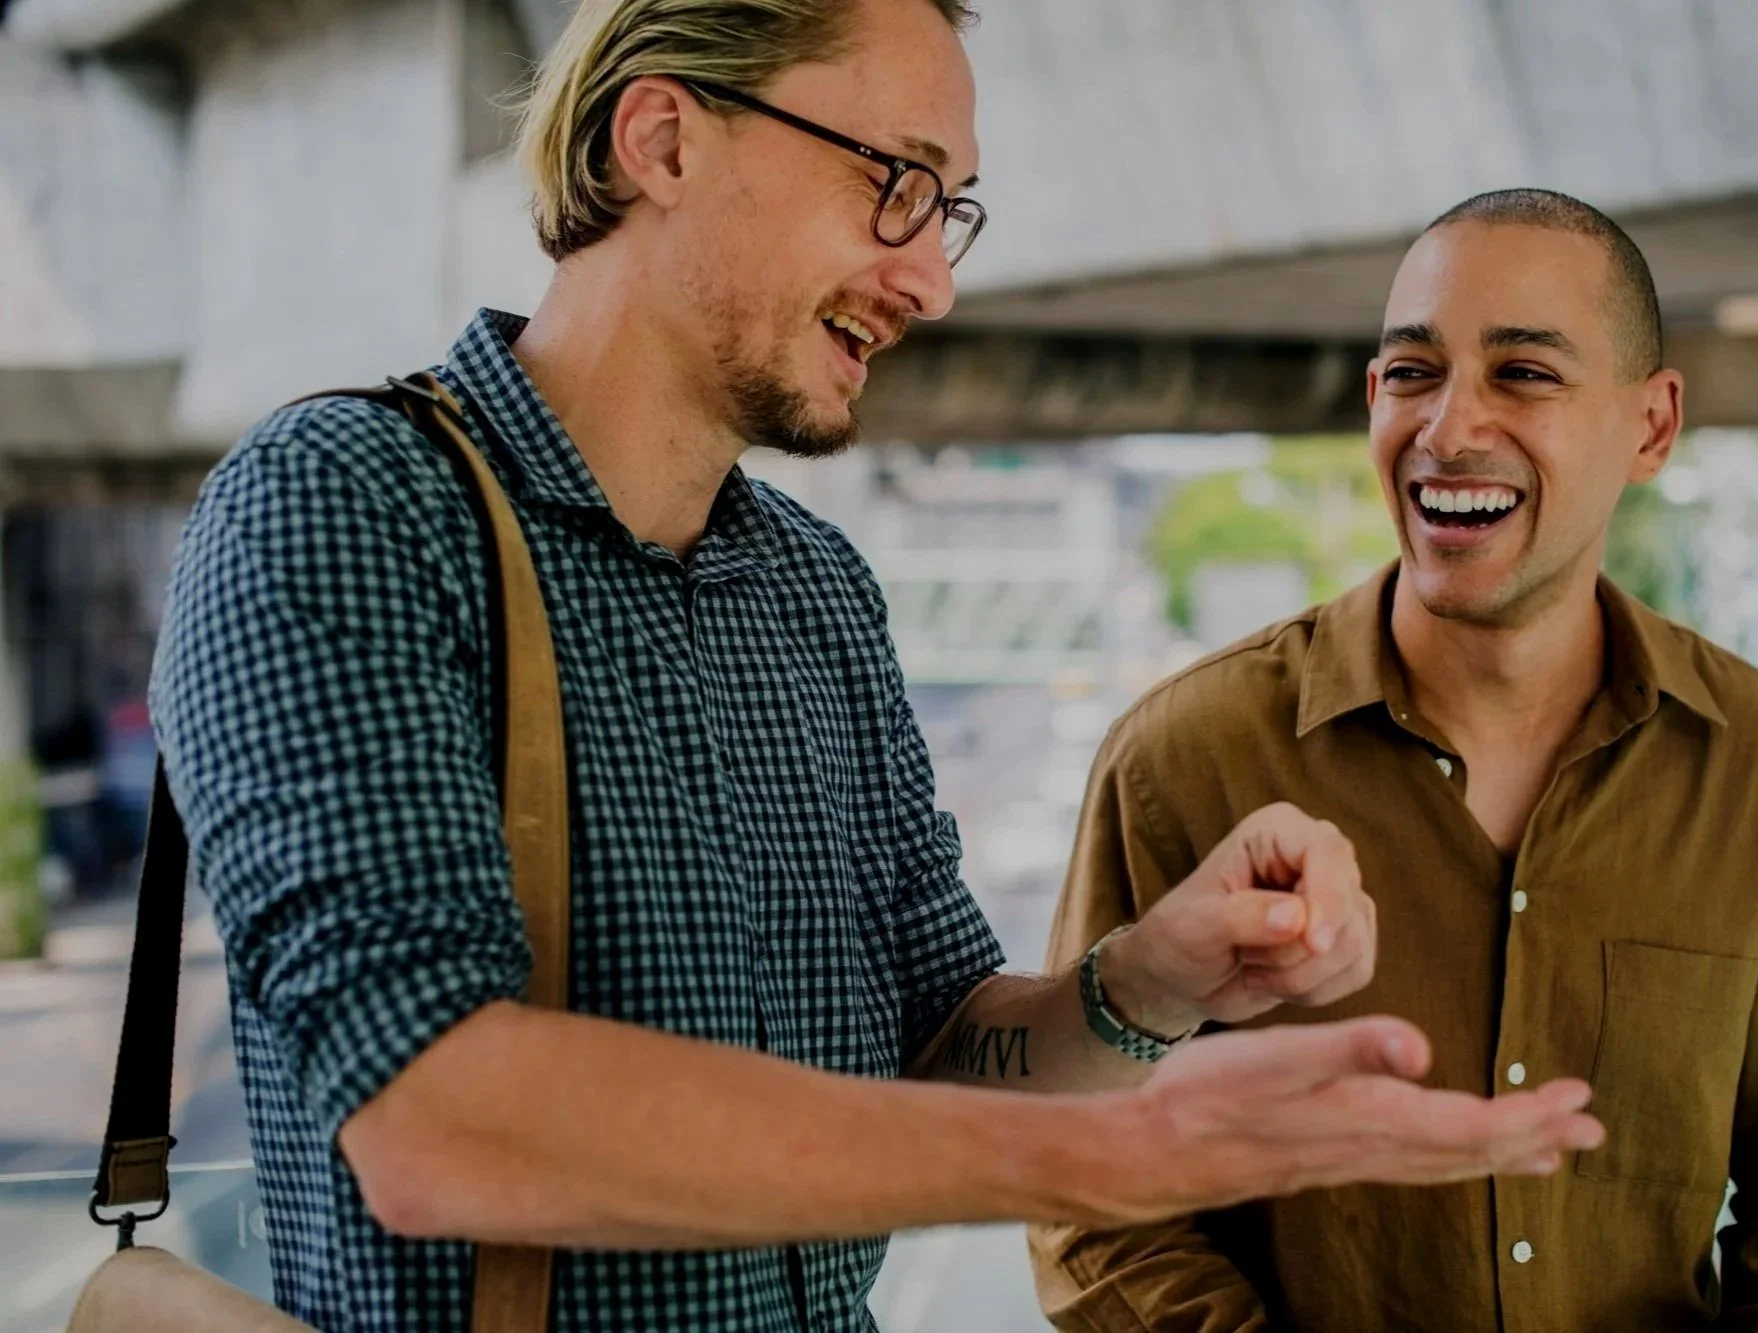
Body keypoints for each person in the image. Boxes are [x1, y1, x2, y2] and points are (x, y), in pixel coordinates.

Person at [147, 4, 1605, 1328]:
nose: (930, 280)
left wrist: (1149, 981)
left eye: (945, 210)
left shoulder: (811, 587)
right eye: (891, 181)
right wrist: (1110, 1151)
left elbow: (939, 1038)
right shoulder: (343, 503)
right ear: (660, 137)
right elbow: (432, 1119)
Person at [1030, 189, 1758, 1332]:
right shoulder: (1183, 755)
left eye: (1524, 374)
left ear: (1650, 426)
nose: (1448, 428)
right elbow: (1084, 1177)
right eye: (1412, 372)